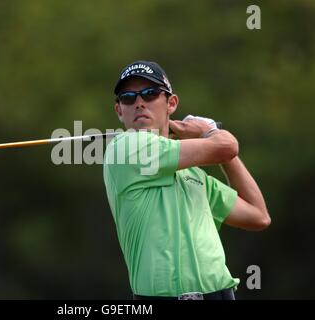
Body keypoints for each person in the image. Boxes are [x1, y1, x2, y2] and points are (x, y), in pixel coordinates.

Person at [103, 60, 271, 300]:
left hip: (220, 294)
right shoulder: (125, 148)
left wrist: (225, 155)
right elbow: (228, 145)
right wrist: (209, 131)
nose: (139, 103)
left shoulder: (193, 174)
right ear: (120, 111)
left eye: (150, 94)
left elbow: (258, 215)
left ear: (171, 103)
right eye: (128, 97)